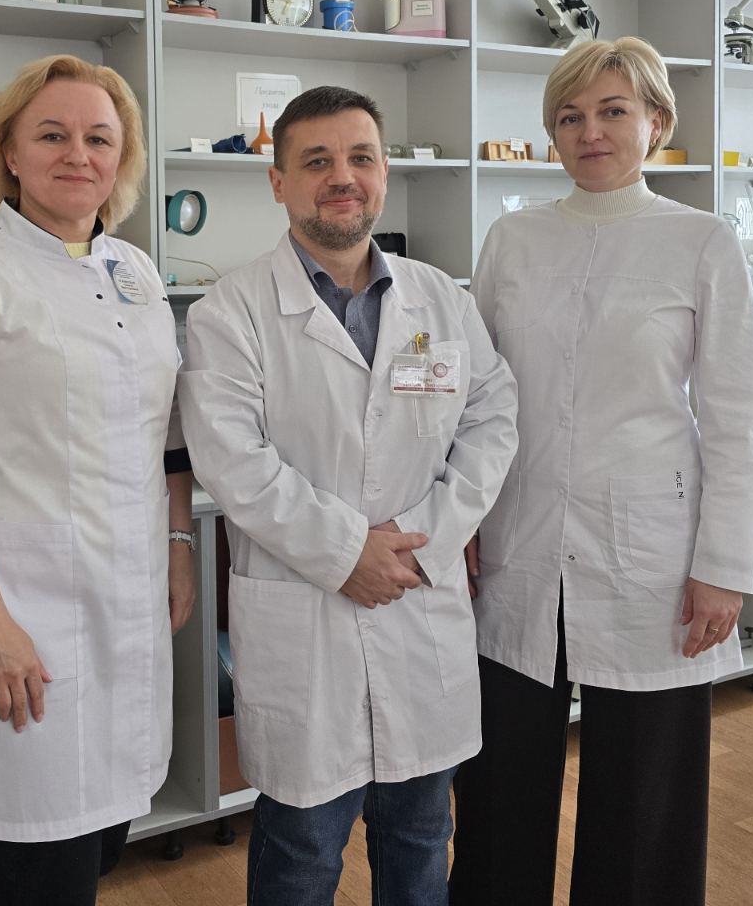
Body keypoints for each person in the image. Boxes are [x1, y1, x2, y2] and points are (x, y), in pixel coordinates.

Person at [179, 85, 519, 906]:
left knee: (421, 840)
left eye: (361, 158)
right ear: (279, 182)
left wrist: (425, 537)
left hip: (417, 600)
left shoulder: (441, 299)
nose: (343, 177)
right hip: (305, 623)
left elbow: (493, 419)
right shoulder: (231, 311)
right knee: (301, 855)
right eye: (317, 161)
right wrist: (346, 553)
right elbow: (232, 460)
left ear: (384, 174)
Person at [447, 37, 753, 906]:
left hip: (651, 555)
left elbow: (735, 422)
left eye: (612, 111)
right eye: (570, 116)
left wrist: (723, 568)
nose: (590, 132)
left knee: (643, 798)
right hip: (518, 545)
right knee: (500, 783)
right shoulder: (513, 239)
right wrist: (460, 519)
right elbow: (475, 398)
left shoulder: (701, 241)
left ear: (656, 123)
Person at [0, 54, 195, 906]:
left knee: (101, 848)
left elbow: (167, 431)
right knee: (40, 871)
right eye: (52, 135)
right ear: (10, 153)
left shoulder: (136, 273)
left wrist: (179, 544)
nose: (78, 155)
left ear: (122, 159)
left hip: (127, 616)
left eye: (100, 138)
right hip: (25, 618)